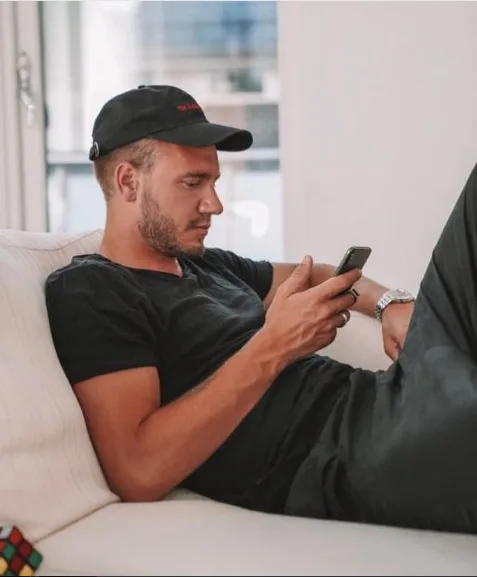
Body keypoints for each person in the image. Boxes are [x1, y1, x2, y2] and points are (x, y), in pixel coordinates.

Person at [45, 84, 477, 535]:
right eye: (192, 183)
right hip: (348, 455)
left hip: (393, 394)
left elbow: (317, 274)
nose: (214, 204)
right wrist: (274, 345)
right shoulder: (93, 290)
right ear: (128, 181)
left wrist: (391, 304)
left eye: (213, 182)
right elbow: (138, 472)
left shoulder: (206, 264)